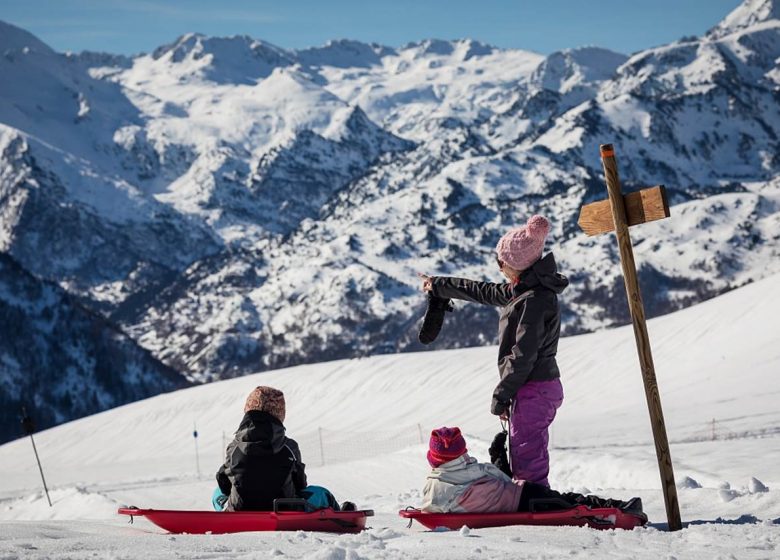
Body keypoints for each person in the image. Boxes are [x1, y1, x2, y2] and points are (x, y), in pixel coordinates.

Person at [418, 214, 567, 487]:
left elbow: (523, 355)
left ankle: (535, 501)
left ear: (517, 264)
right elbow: (482, 291)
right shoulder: (525, 290)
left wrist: (501, 395)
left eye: (502, 262)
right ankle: (531, 498)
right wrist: (439, 285)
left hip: (534, 386)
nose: (499, 266)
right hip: (533, 386)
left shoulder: (535, 300)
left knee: (526, 452)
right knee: (524, 450)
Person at [421, 427, 644, 519]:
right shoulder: (471, 471)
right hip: (524, 496)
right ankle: (619, 510)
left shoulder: (435, 484)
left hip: (517, 496)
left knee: (567, 501)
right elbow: (503, 480)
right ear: (462, 451)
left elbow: (432, 506)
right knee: (571, 503)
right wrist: (497, 456)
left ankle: (615, 509)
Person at [213, 386, 351, 512]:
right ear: (279, 413)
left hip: (240, 508)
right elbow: (300, 484)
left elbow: (223, 481)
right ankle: (340, 517)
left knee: (217, 494)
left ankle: (226, 515)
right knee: (321, 493)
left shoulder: (233, 447)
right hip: (285, 507)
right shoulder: (289, 446)